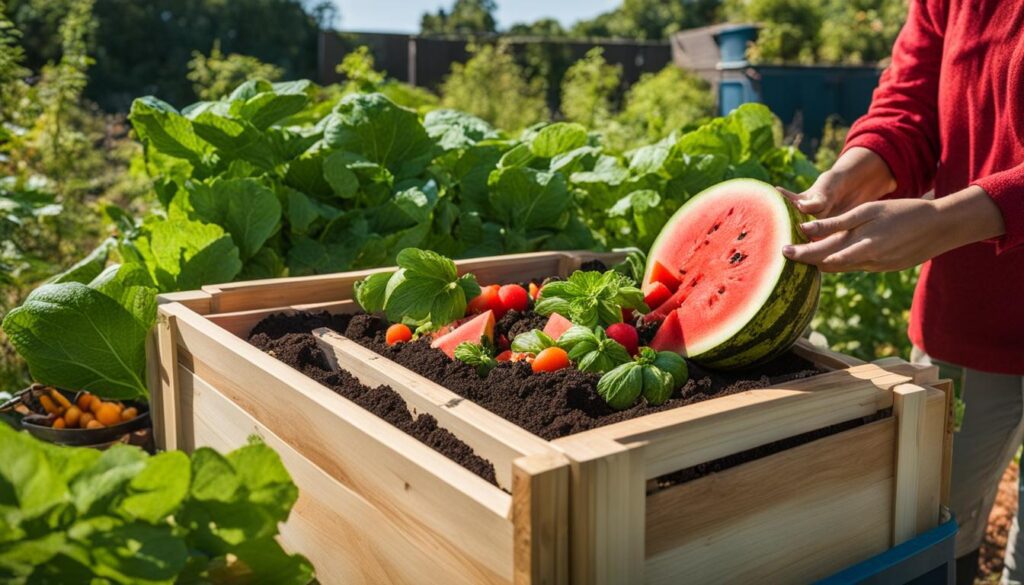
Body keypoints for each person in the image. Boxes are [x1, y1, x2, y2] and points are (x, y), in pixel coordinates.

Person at [780, 0, 1023, 583]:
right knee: (938, 525)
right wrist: (852, 175)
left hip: (960, 261)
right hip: (970, 317)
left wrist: (946, 220)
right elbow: (908, 106)